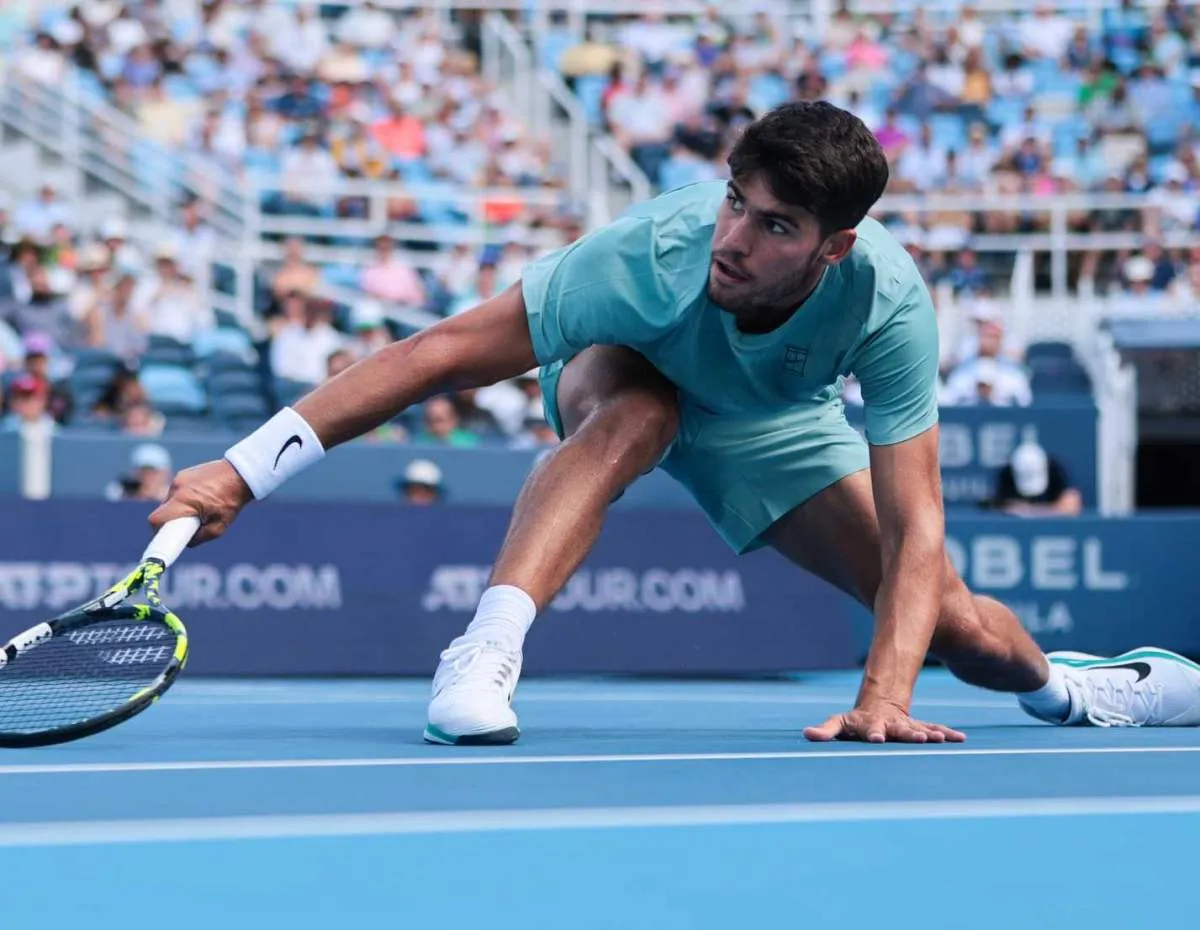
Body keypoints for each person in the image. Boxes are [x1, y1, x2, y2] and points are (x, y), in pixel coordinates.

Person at [149, 101, 1200, 745]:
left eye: (774, 224)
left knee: (961, 630)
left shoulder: (887, 305)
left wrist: (883, 694)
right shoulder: (656, 255)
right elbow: (434, 356)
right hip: (632, 373)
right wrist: (241, 472)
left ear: (832, 249)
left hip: (770, 424)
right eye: (736, 200)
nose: (733, 237)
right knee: (632, 416)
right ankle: (483, 652)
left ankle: (1075, 688)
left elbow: (918, 523)